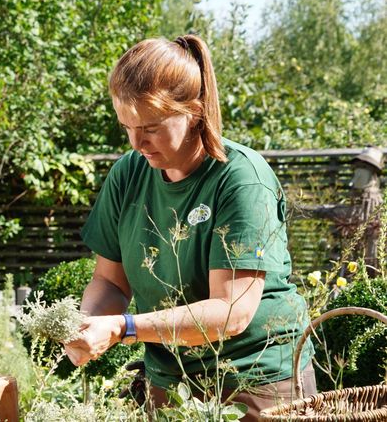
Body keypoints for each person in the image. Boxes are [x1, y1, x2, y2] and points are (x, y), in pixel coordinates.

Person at [62, 34, 316, 421]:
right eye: (126, 126)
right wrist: (88, 324)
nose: (137, 142)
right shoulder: (128, 174)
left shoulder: (241, 179)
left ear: (194, 111)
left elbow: (231, 313)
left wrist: (123, 327)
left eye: (151, 126)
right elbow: (110, 283)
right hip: (171, 380)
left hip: (256, 382)